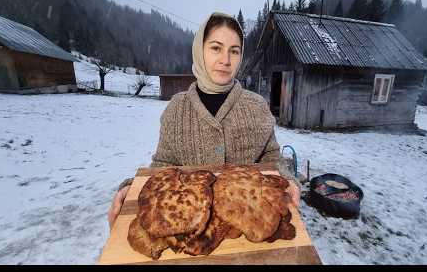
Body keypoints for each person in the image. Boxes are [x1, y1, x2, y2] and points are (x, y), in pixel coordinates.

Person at [108, 12, 301, 229]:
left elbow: (272, 156)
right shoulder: (177, 109)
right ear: (200, 50)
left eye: (234, 51)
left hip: (248, 223)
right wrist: (132, 189)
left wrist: (288, 179)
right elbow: (164, 166)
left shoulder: (257, 106)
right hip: (189, 225)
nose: (225, 60)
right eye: (216, 48)